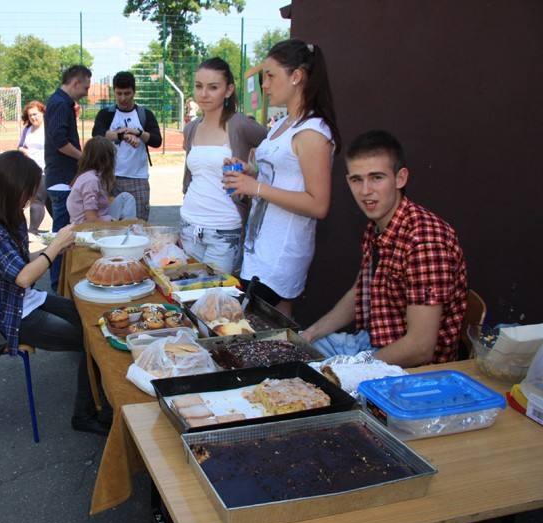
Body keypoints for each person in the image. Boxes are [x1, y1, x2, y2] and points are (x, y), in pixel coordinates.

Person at [0, 151, 111, 435]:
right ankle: (86, 413)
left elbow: (22, 266)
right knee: (93, 338)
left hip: (26, 300)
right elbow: (22, 278)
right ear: (10, 188)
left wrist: (52, 250)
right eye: (28, 193)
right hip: (8, 314)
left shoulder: (10, 216)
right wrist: (54, 247)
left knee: (95, 321)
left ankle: (98, 399)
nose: (31, 200)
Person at [300, 130, 468, 367]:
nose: (366, 190)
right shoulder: (379, 225)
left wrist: (354, 367)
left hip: (409, 371)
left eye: (376, 177)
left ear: (400, 178)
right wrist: (307, 336)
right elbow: (359, 292)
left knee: (308, 381)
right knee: (292, 356)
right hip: (370, 343)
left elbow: (420, 348)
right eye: (357, 179)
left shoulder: (425, 240)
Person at [222, 39, 341, 318]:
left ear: (296, 77)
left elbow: (318, 204)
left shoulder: (313, 131)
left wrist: (257, 187)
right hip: (262, 244)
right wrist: (251, 173)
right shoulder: (285, 123)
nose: (264, 84)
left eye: (271, 75)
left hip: (281, 252)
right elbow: (284, 176)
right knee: (275, 325)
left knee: (246, 323)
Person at [180, 57, 268, 274]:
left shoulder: (240, 124)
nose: (204, 94)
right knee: (188, 295)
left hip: (224, 230)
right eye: (199, 86)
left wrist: (254, 175)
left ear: (228, 90)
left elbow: (276, 151)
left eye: (213, 87)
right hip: (189, 225)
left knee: (216, 301)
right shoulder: (191, 127)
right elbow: (193, 176)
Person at [44, 64, 91, 290]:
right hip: (61, 181)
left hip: (61, 178)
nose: (86, 92)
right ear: (75, 83)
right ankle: (57, 286)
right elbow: (60, 141)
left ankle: (60, 284)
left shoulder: (61, 103)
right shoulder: (60, 104)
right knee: (61, 238)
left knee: (63, 235)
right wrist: (82, 158)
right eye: (86, 87)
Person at [92, 71, 162, 221]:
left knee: (139, 223)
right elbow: (97, 134)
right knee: (109, 223)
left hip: (137, 177)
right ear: (114, 92)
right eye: (119, 93)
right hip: (110, 176)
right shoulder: (106, 114)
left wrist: (138, 133)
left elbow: (156, 140)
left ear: (134, 92)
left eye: (127, 93)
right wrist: (120, 135)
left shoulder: (145, 114)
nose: (123, 98)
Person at [66, 136, 136, 224]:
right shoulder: (91, 181)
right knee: (126, 201)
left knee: (126, 197)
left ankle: (127, 227)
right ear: (108, 159)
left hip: (95, 219)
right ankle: (127, 231)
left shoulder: (87, 175)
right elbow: (92, 220)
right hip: (86, 227)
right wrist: (116, 226)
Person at [18, 100, 48, 235]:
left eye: (35, 114)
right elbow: (20, 146)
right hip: (29, 171)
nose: (33, 118)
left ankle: (32, 230)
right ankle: (62, 227)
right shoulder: (27, 130)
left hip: (44, 170)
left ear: (42, 113)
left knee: (37, 199)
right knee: (45, 201)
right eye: (30, 115)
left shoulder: (48, 128)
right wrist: (23, 151)